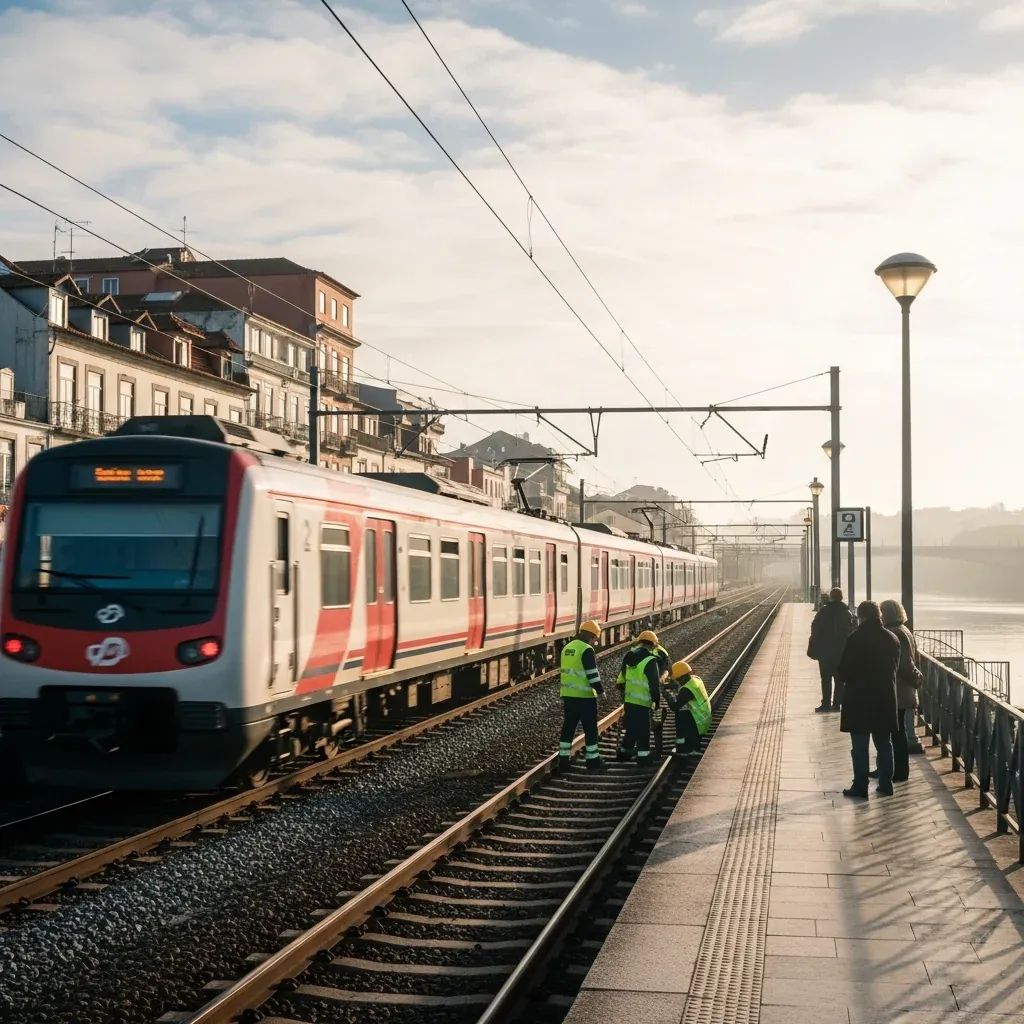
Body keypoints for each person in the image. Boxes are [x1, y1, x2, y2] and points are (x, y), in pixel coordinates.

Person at [836, 600, 900, 798]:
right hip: (884, 698)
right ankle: (886, 784)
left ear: (861, 616)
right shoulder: (892, 639)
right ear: (879, 615)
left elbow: (844, 671)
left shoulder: (855, 639)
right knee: (884, 744)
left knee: (860, 747)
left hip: (859, 699)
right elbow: (895, 669)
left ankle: (860, 786)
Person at [880, 599, 925, 781]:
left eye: (882, 613)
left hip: (897, 688)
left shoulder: (895, 633)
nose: (880, 616)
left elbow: (905, 663)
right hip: (902, 688)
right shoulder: (904, 630)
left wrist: (917, 679)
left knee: (895, 732)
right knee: (895, 731)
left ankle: (898, 770)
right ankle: (888, 767)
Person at [558, 620, 607, 772]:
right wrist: (600, 691)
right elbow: (592, 674)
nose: (595, 642)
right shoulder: (586, 649)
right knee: (590, 730)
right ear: (591, 636)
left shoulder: (567, 648)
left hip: (568, 695)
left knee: (568, 728)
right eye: (595, 638)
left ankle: (563, 761)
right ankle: (593, 762)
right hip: (585, 697)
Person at [615, 629, 662, 766]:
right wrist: (656, 701)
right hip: (643, 702)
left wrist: (625, 694)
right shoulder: (650, 661)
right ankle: (643, 757)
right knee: (644, 730)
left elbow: (622, 678)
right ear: (652, 645)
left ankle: (624, 753)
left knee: (632, 728)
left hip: (630, 701)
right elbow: (654, 685)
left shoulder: (628, 657)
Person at [808, 587, 855, 713]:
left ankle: (826, 704)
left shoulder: (824, 611)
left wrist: (814, 643)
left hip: (825, 651)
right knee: (839, 679)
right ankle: (837, 704)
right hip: (841, 651)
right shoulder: (847, 613)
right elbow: (853, 631)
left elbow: (815, 627)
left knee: (826, 678)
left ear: (831, 597)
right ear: (841, 597)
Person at [664, 660, 711, 758]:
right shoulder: (695, 679)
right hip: (703, 716)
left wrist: (669, 697)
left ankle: (689, 749)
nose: (677, 681)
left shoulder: (686, 690)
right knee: (683, 712)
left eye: (677, 679)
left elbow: (674, 706)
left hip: (698, 721)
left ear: (681, 677)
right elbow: (680, 685)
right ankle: (684, 747)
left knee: (680, 715)